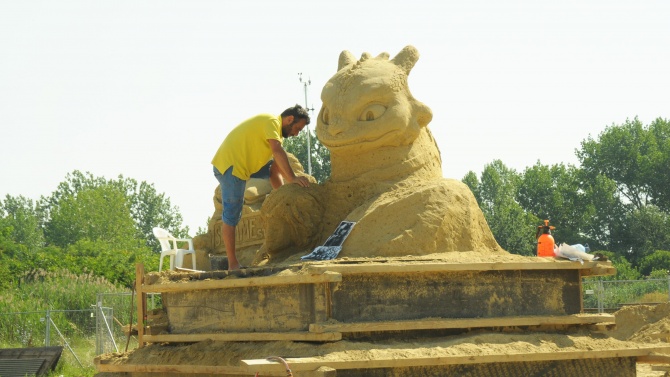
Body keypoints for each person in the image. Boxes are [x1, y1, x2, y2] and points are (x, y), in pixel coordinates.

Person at [212, 105, 311, 270]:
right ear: (289, 119)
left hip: (244, 166)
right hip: (232, 167)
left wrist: (283, 196)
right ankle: (233, 264)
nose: (296, 133)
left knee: (276, 166)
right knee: (232, 214)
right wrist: (292, 178)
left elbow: (275, 168)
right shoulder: (272, 122)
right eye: (297, 128)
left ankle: (281, 196)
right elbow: (277, 151)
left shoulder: (275, 133)